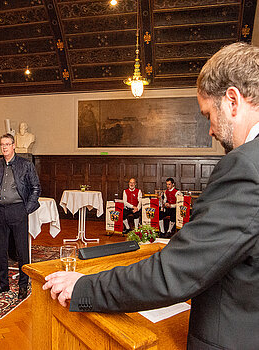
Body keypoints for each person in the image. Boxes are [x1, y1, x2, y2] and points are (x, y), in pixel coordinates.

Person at [42, 42, 259, 349]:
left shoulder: (247, 165)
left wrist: (84, 287)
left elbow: (173, 274)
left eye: (208, 113)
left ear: (233, 101)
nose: (210, 129)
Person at [0, 133, 41, 299]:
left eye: (7, 144)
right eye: (2, 144)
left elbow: (36, 188)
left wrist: (26, 209)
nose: (4, 147)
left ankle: (23, 285)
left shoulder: (25, 165)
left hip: (18, 210)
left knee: (22, 250)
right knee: (0, 250)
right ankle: (3, 284)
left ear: (14, 145)